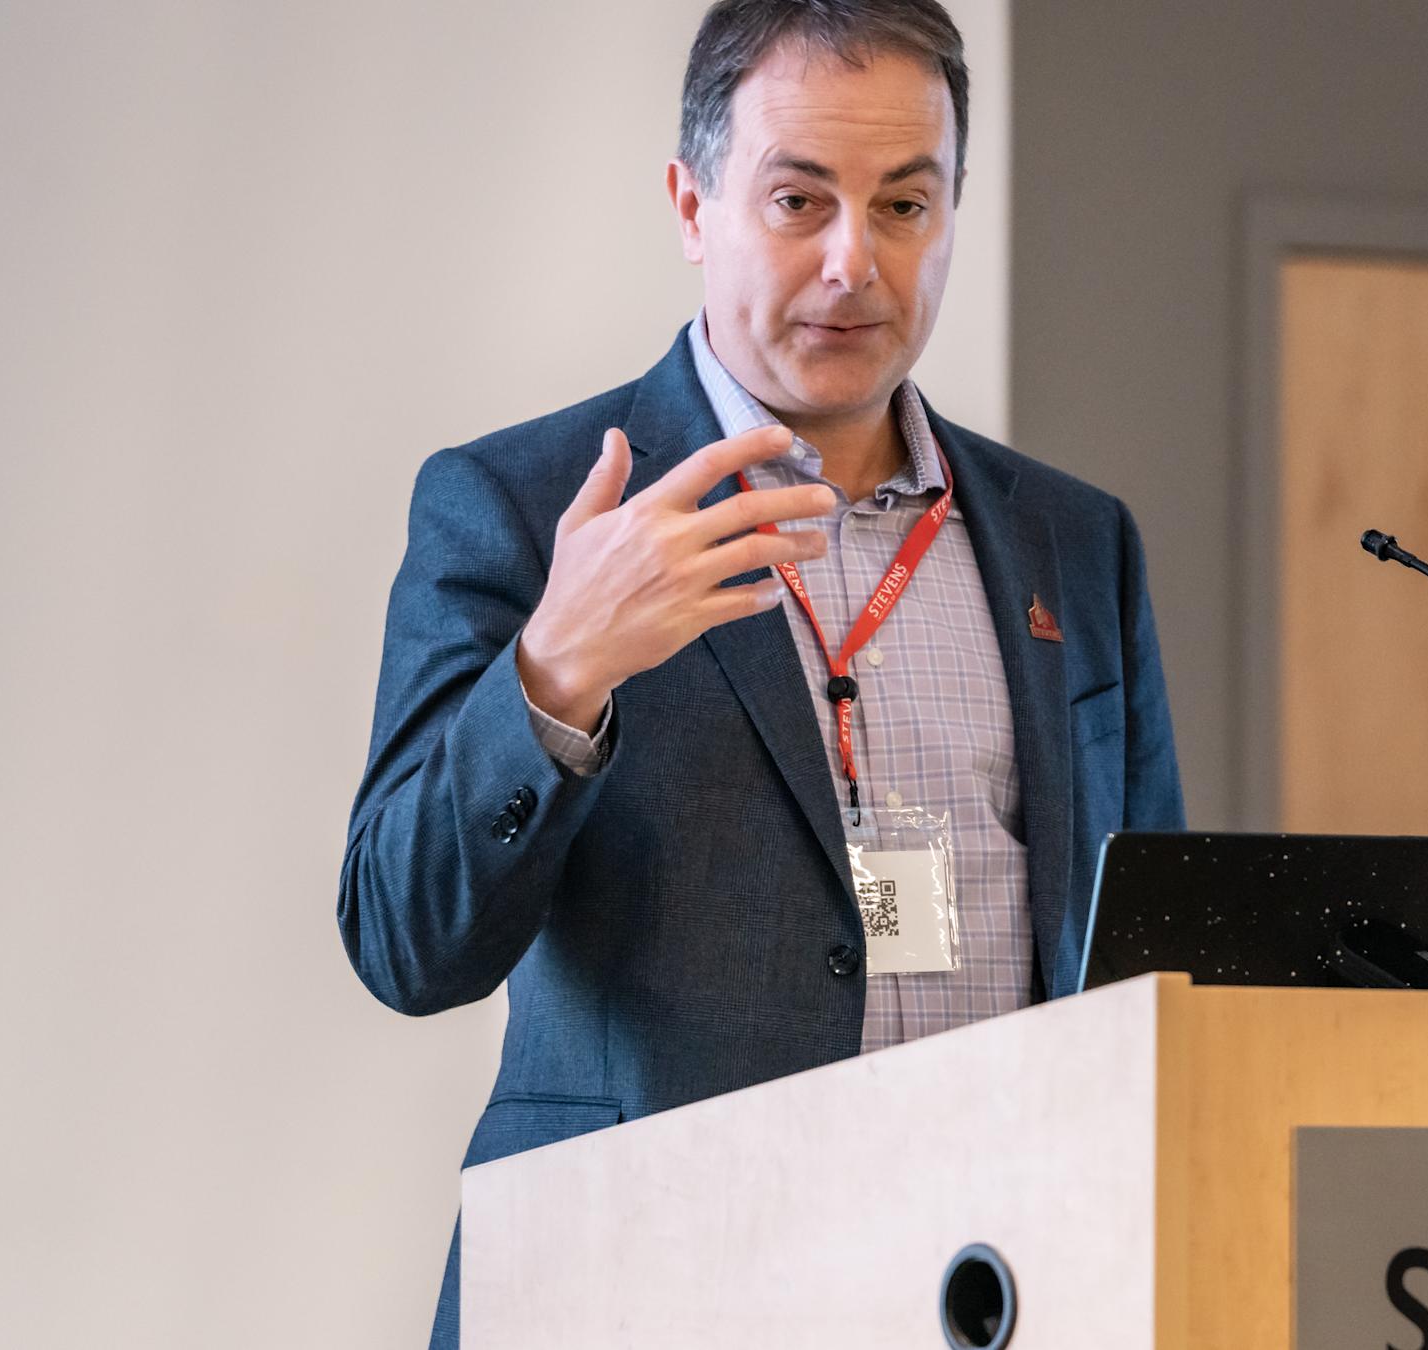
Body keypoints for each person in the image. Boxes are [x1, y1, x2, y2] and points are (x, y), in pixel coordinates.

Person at [335, 1, 1184, 1342]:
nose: (855, 261)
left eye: (907, 205)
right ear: (693, 202)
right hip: (638, 1291)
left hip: (997, 1285)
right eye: (801, 200)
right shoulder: (523, 503)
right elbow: (403, 939)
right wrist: (555, 672)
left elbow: (1147, 964)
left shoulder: (1076, 543)